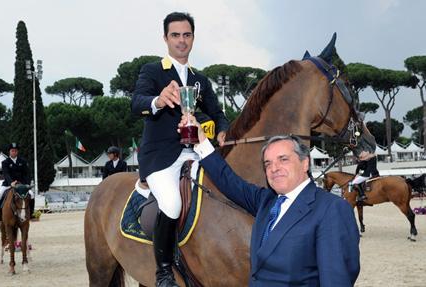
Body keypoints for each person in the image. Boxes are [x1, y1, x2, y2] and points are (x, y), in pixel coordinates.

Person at [179, 115, 360, 286]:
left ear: (305, 163)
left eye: (283, 159)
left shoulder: (332, 209)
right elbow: (229, 181)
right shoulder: (267, 202)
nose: (274, 168)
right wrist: (201, 140)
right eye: (268, 163)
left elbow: (336, 280)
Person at [131, 12, 229, 287]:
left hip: (196, 151)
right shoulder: (152, 71)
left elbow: (217, 112)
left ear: (193, 38)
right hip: (161, 157)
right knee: (172, 203)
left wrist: (222, 129)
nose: (181, 40)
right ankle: (163, 272)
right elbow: (136, 101)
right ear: (166, 38)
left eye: (187, 35)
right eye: (175, 35)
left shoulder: (201, 79)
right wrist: (158, 100)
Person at [0, 143, 32, 221]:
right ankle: (0, 216)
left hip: (21, 184)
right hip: (8, 184)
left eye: (15, 151)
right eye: (12, 151)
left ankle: (31, 214)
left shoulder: (22, 161)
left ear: (17, 152)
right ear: (9, 152)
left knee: (32, 195)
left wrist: (27, 183)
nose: (14, 152)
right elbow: (6, 174)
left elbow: (27, 173)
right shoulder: (5, 162)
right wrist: (11, 182)